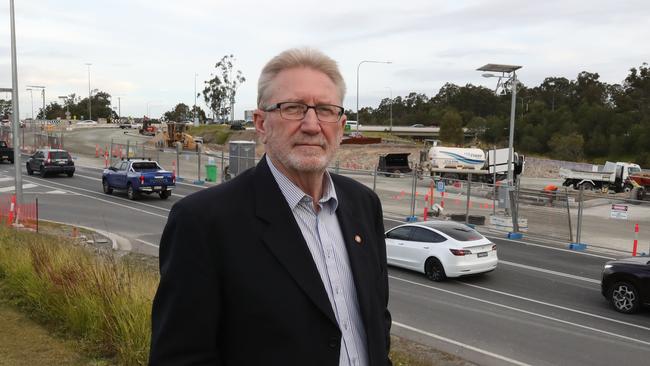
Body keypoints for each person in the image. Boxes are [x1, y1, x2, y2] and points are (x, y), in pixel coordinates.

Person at [150, 47, 392, 366]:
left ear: (341, 125)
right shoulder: (204, 222)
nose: (311, 124)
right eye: (293, 108)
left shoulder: (364, 204)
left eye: (325, 110)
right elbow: (180, 358)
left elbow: (377, 322)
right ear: (261, 124)